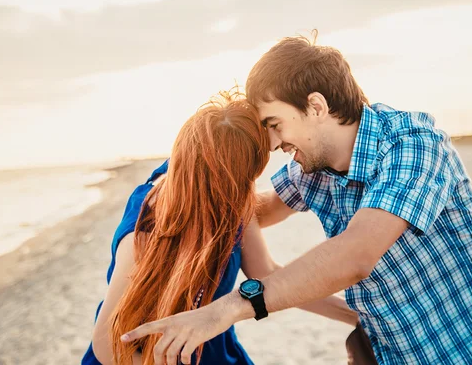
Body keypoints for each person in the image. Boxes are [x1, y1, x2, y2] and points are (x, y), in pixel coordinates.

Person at [120, 33, 472, 365]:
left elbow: (355, 256)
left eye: (275, 124)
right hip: (382, 351)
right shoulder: (312, 166)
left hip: (462, 352)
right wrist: (189, 185)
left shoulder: (412, 148)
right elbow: (257, 210)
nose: (274, 143)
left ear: (316, 107)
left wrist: (226, 309)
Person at [82, 90, 357, 365]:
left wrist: (356, 317)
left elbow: (265, 274)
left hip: (216, 352)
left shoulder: (231, 195)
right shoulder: (147, 229)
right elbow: (107, 342)